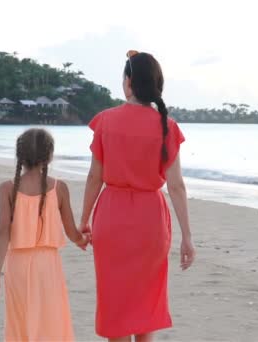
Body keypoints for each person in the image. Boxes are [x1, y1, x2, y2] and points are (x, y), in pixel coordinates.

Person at [79, 50, 195, 342]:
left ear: (128, 82)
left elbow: (94, 177)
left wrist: (83, 220)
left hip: (112, 217)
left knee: (115, 303)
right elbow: (176, 185)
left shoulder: (105, 121)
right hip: (150, 221)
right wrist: (187, 236)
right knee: (146, 303)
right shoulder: (166, 126)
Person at [0, 128, 90, 341]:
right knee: (50, 322)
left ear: (19, 156)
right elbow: (71, 232)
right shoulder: (59, 188)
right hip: (48, 265)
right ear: (49, 156)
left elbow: (2, 232)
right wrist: (83, 239)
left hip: (17, 266)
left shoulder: (6, 188)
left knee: (21, 322)